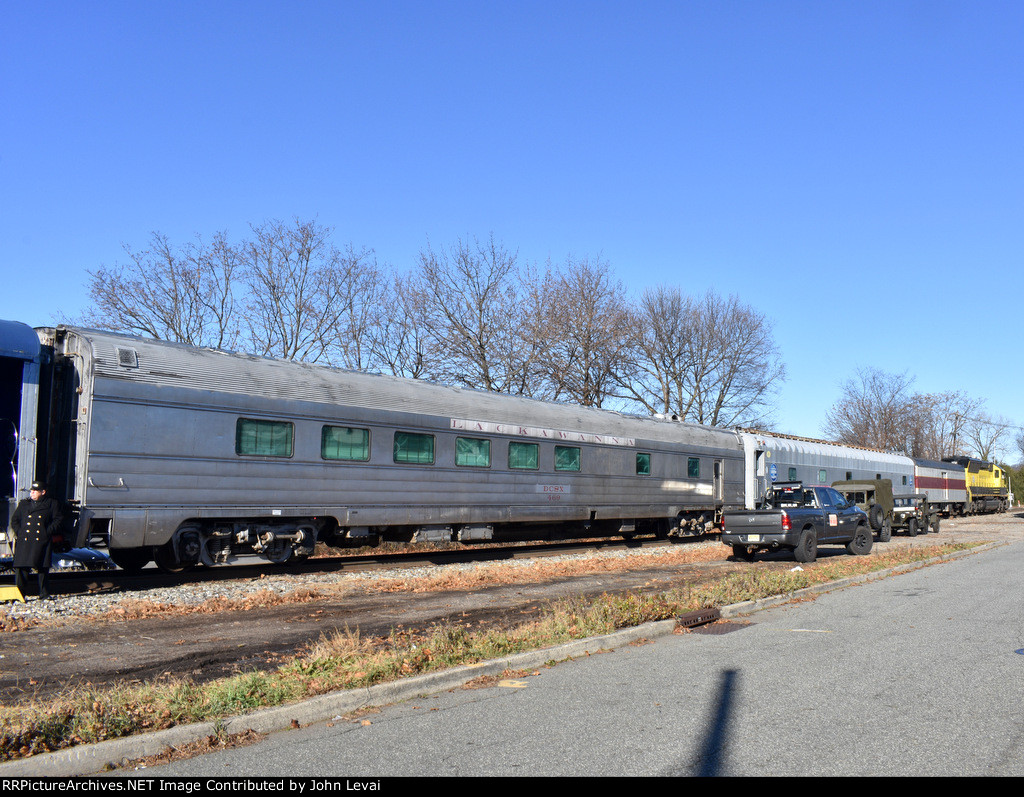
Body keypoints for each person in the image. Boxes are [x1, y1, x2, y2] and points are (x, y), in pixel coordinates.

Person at [10, 481, 64, 600]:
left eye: (35, 491)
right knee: (21, 567)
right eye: (31, 491)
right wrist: (20, 532)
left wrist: (47, 531)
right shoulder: (24, 504)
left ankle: (44, 594)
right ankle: (20, 595)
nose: (32, 493)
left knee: (42, 568)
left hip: (41, 539)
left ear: (43, 492)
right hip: (25, 540)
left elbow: (58, 519)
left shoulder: (51, 503)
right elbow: (15, 520)